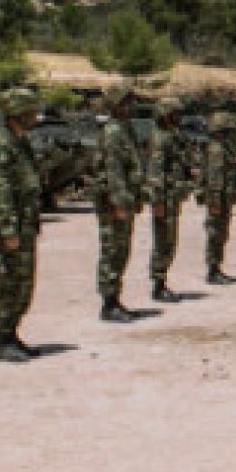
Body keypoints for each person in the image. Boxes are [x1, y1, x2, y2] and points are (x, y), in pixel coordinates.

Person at [0, 89, 45, 363]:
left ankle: (11, 332)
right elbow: (0, 189)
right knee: (7, 281)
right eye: (31, 111)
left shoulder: (20, 142)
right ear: (17, 113)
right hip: (10, 227)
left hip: (24, 224)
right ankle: (2, 339)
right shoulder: (2, 144)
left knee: (23, 281)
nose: (35, 116)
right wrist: (8, 228)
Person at [93, 86, 143, 323]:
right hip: (113, 202)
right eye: (125, 102)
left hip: (123, 198)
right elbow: (113, 170)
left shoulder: (125, 128)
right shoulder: (113, 131)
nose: (130, 106)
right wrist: (119, 201)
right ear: (115, 105)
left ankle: (114, 299)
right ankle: (108, 303)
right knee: (112, 250)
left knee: (121, 250)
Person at [145, 97, 192, 302]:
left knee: (169, 240)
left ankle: (161, 281)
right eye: (175, 114)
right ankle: (158, 284)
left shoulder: (171, 135)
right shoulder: (160, 138)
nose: (179, 117)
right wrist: (157, 200)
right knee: (163, 240)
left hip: (171, 196)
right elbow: (155, 171)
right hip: (164, 197)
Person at [202, 113, 236, 283]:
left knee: (220, 233)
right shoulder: (217, 150)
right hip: (218, 198)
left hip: (223, 197)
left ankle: (216, 267)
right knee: (216, 233)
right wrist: (215, 201)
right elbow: (215, 178)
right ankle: (213, 270)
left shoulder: (223, 148)